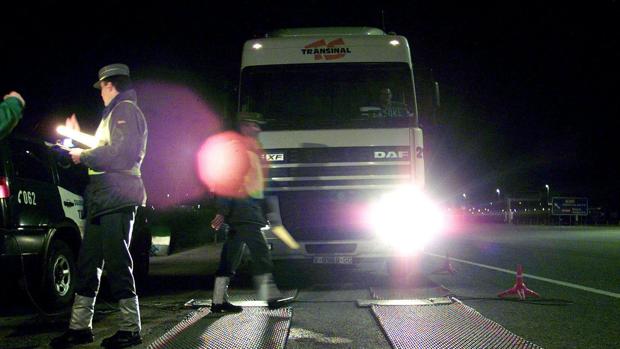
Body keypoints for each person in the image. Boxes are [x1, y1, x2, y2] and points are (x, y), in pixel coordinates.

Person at [51, 64, 148, 349]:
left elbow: (120, 153)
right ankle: (80, 327)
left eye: (101, 87)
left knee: (117, 261)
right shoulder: (113, 113)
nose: (100, 93)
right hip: (103, 198)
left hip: (117, 197)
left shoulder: (125, 110)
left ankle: (131, 329)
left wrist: (84, 155)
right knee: (88, 263)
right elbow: (104, 149)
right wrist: (76, 147)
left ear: (110, 85)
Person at [209, 111, 293, 313]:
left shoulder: (253, 149)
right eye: (254, 125)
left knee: (230, 256)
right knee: (261, 251)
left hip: (248, 208)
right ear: (245, 126)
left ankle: (218, 300)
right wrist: (222, 210)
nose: (258, 129)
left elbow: (260, 181)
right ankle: (270, 296)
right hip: (243, 209)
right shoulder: (238, 148)